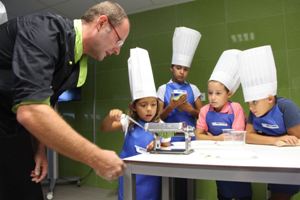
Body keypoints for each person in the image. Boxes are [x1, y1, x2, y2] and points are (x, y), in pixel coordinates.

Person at [0, 1, 129, 199]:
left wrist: (40, 150)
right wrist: (97, 158)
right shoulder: (45, 30)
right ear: (102, 23)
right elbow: (32, 110)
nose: (117, 50)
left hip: (10, 126)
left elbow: (45, 104)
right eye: (118, 41)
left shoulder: (73, 62)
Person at [100, 47, 167, 200]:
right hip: (129, 178)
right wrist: (110, 117)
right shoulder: (127, 122)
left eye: (153, 104)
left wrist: (158, 144)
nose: (149, 109)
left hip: (151, 179)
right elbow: (105, 128)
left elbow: (168, 143)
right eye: (143, 105)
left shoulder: (160, 123)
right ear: (134, 107)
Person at [239, 45, 300, 200]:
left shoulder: (286, 107)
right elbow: (249, 137)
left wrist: (280, 141)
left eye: (254, 102)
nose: (251, 108)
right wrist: (275, 140)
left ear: (270, 98)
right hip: (272, 162)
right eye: (248, 103)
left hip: (290, 165)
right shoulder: (256, 111)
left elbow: (296, 141)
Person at [195, 49, 252, 200]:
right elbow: (197, 135)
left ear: (229, 93)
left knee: (242, 193)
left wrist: (212, 136)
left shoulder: (236, 108)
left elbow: (237, 137)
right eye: (210, 92)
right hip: (217, 159)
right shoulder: (205, 110)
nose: (212, 98)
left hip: (238, 160)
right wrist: (221, 138)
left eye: (218, 93)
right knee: (223, 192)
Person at [156, 26, 203, 200]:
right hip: (169, 139)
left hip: (191, 139)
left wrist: (190, 110)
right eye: (178, 68)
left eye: (185, 69)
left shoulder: (194, 88)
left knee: (188, 182)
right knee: (170, 182)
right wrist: (172, 106)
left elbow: (202, 114)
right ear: (171, 68)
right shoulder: (163, 89)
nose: (182, 72)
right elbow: (158, 117)